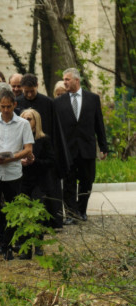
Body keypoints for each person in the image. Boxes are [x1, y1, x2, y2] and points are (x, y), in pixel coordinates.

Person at [0, 87, 34, 261]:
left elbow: (28, 148)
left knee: (12, 210)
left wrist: (13, 157)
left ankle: (8, 245)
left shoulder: (23, 124)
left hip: (13, 172)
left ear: (14, 105)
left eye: (9, 106)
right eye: (3, 106)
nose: (6, 110)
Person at [53, 68, 108, 221]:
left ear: (76, 80)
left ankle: (81, 210)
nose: (64, 82)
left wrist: (103, 146)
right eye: (64, 79)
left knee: (87, 181)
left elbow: (99, 124)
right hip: (67, 149)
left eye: (67, 79)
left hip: (86, 148)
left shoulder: (93, 99)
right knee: (69, 183)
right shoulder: (58, 102)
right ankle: (71, 214)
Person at [19, 108, 55, 257]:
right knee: (23, 213)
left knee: (37, 212)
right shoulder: (18, 138)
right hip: (22, 180)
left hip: (39, 180)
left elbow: (51, 161)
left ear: (36, 121)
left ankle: (38, 245)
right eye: (24, 119)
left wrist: (35, 161)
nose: (26, 122)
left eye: (29, 119)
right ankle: (25, 247)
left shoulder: (44, 139)